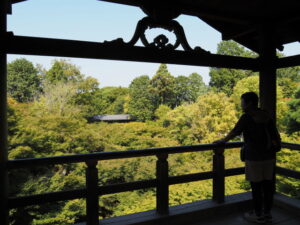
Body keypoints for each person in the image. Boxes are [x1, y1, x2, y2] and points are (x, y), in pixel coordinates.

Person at [214, 92, 281, 224]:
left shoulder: (247, 117)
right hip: (269, 156)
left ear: (249, 103)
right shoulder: (266, 115)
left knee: (256, 186)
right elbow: (275, 135)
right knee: (268, 186)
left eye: (242, 102)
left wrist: (222, 141)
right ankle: (267, 214)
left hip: (254, 157)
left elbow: (235, 132)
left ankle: (258, 215)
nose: (241, 104)